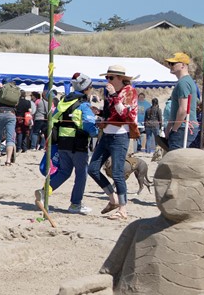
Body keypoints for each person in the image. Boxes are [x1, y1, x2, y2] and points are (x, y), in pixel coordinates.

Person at [87, 65, 138, 218]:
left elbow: (124, 114)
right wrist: (99, 112)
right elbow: (112, 113)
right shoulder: (109, 93)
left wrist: (114, 95)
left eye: (111, 77)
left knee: (117, 173)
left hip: (120, 135)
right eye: (106, 77)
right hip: (107, 134)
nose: (107, 80)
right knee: (93, 169)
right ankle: (113, 198)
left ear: (121, 78)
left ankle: (123, 209)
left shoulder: (129, 91)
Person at [40, 84, 97, 215]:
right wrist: (96, 132)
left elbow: (53, 119)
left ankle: (44, 192)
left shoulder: (63, 102)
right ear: (86, 89)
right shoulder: (83, 104)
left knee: (64, 172)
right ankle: (75, 204)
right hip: (78, 145)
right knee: (81, 174)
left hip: (62, 144)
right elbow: (89, 124)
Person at [161, 51, 199, 150]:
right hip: (183, 127)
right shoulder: (184, 82)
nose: (170, 66)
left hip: (183, 128)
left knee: (176, 162)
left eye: (173, 63)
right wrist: (170, 127)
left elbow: (183, 110)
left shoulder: (183, 83)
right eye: (169, 63)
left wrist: (174, 128)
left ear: (182, 65)